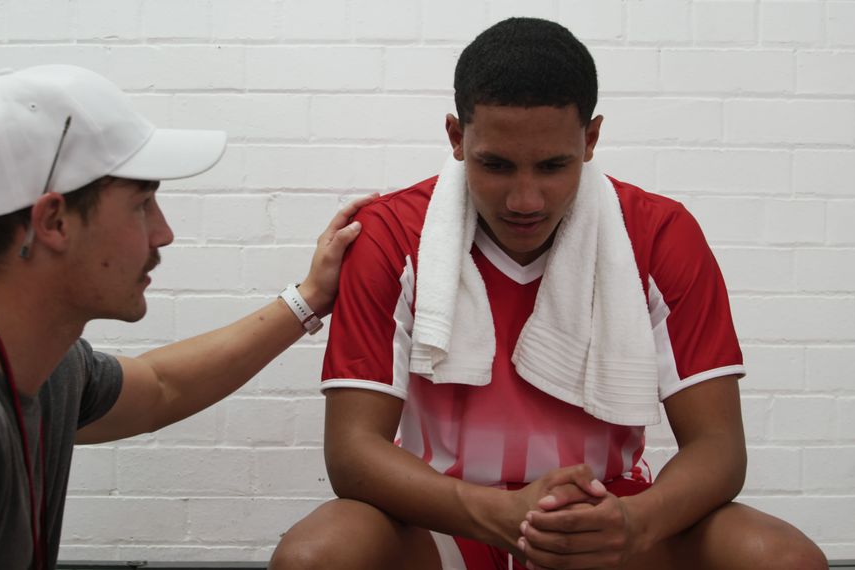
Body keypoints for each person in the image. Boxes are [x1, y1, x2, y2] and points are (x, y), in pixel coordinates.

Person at [271, 17, 827, 570]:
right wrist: (496, 511)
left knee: (782, 559)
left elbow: (719, 448)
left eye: (553, 165)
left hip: (608, 516)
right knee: (315, 557)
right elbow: (351, 453)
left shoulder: (660, 234)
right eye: (496, 164)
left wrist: (634, 523)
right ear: (457, 138)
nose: (525, 199)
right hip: (445, 517)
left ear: (590, 140)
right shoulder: (391, 234)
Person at [0, 64, 371, 569]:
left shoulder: (41, 366)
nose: (164, 233)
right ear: (55, 222)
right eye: (142, 204)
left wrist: (308, 298)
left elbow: (161, 387)